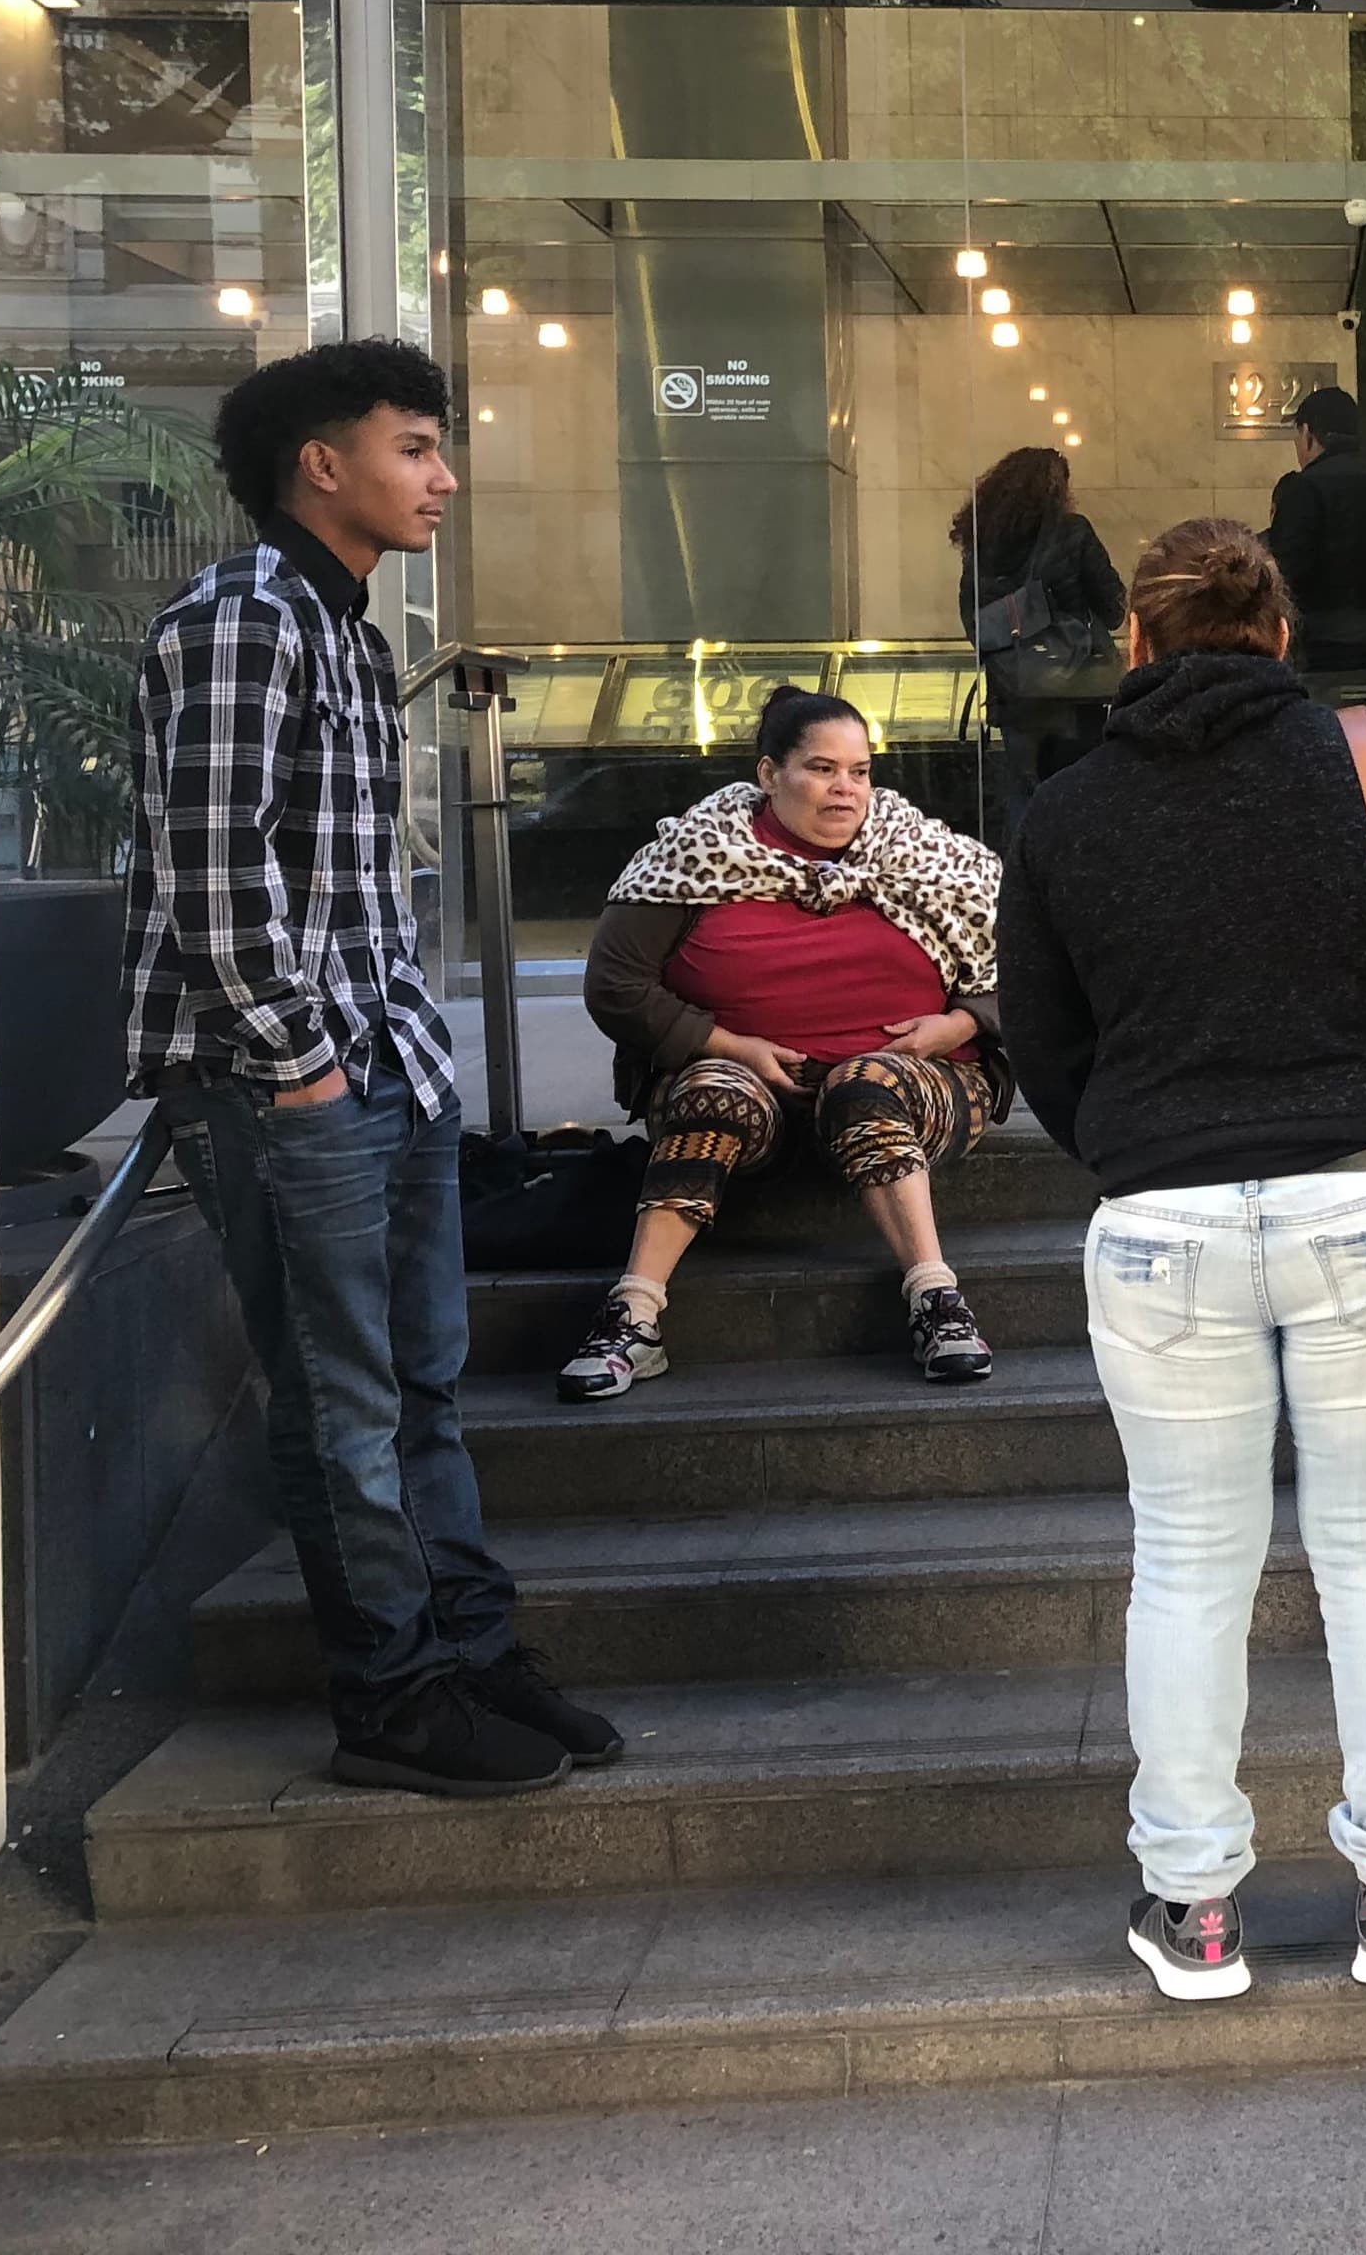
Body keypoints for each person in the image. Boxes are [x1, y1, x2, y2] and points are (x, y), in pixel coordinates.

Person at [999, 517, 1366, 2001]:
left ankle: (1194, 1903)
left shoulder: (1070, 808)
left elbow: (1041, 1032)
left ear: (1136, 643)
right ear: (1280, 636)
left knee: (1188, 1570)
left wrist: (1131, 1143)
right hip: (1363, 1203)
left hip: (1162, 1220)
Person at [126, 338, 617, 1799]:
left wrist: (405, 1061)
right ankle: (391, 1697)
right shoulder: (241, 622)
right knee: (343, 1403)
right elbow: (216, 882)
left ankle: (466, 1651)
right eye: (414, 446)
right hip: (288, 1084)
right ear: (320, 464)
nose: (443, 476)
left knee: (421, 1387)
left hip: (372, 1068)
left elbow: (346, 883)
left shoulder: (345, 630)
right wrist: (304, 1073)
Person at [562, 686, 1013, 1400]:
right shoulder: (694, 857)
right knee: (713, 1089)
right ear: (769, 774)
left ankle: (937, 1301)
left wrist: (958, 1024)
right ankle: (633, 1316)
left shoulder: (930, 854)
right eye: (822, 768)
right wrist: (729, 1045)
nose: (846, 789)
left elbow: (1032, 967)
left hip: (918, 1082)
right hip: (747, 1088)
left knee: (866, 1084)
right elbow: (616, 985)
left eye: (860, 771)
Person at [953, 445, 1127, 847]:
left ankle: (1022, 893)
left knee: (1023, 797)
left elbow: (975, 622)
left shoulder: (982, 543)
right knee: (1083, 797)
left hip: (1017, 694)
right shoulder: (1073, 531)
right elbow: (1114, 608)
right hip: (1079, 694)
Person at [1261, 384, 1366, 711]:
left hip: (1323, 661)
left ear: (1308, 434)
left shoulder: (1303, 491)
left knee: (1324, 755)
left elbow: (1284, 580)